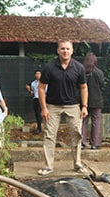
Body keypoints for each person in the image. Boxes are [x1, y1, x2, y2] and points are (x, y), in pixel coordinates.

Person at [38, 39, 89, 176]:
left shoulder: (79, 68)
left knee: (76, 135)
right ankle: (48, 166)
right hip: (52, 106)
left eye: (67, 49)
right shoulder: (49, 67)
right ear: (58, 51)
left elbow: (83, 87)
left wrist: (84, 106)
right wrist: (44, 108)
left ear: (72, 51)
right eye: (62, 49)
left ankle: (77, 164)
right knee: (49, 135)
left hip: (73, 105)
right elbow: (41, 88)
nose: (65, 51)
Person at [82, 53, 105, 150]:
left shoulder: (82, 72)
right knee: (96, 122)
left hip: (83, 101)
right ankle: (95, 143)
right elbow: (102, 85)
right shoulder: (99, 72)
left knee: (83, 122)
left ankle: (81, 143)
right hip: (96, 100)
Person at [25, 69, 43, 134]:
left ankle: (40, 128)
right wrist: (30, 91)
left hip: (42, 99)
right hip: (35, 99)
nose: (38, 75)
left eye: (39, 74)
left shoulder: (43, 82)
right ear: (35, 75)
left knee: (40, 114)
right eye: (37, 74)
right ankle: (39, 127)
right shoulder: (33, 83)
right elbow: (27, 86)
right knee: (36, 113)